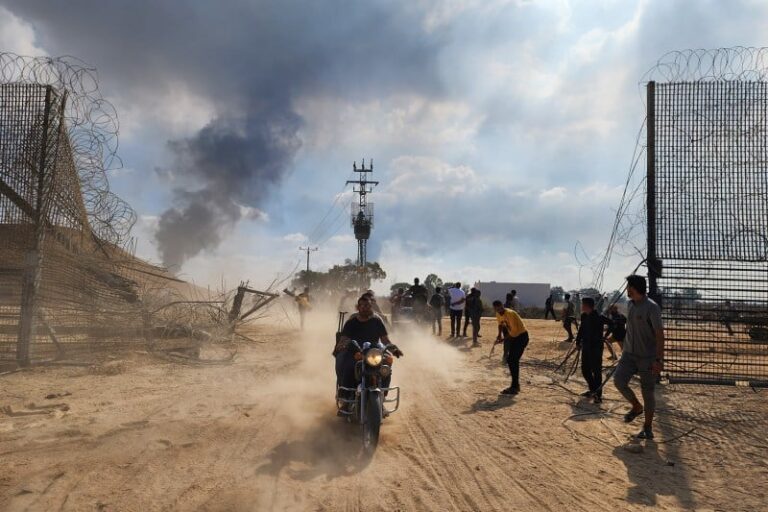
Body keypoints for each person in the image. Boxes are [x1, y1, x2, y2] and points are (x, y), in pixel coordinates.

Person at [613, 274, 664, 440]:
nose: (627, 290)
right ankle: (636, 406)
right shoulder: (630, 304)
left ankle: (647, 428)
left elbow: (659, 335)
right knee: (619, 381)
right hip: (629, 354)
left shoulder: (652, 308)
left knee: (647, 392)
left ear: (634, 288)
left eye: (628, 287)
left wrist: (658, 360)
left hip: (647, 357)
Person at [334, 296, 403, 412]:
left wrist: (394, 349)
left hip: (373, 351)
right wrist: (342, 344)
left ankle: (381, 397)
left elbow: (385, 339)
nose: (366, 308)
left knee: (386, 365)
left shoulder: (376, 321)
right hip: (356, 350)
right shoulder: (352, 322)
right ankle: (346, 400)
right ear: (358, 307)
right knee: (349, 367)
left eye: (368, 306)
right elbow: (344, 338)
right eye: (363, 306)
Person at [576, 297, 609, 404]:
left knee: (596, 371)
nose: (581, 306)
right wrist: (578, 342)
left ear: (587, 306)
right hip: (586, 347)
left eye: (583, 304)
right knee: (585, 370)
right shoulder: (584, 316)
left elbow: (613, 324)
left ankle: (598, 396)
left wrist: (605, 337)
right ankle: (593, 390)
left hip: (596, 348)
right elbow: (581, 330)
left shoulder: (599, 317)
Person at [492, 300, 529, 395]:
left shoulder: (510, 314)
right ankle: (515, 385)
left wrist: (503, 340)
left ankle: (515, 386)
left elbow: (514, 332)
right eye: (497, 309)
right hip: (514, 338)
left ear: (502, 306)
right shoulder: (498, 314)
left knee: (512, 360)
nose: (499, 310)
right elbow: (500, 324)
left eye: (500, 308)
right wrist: (499, 335)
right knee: (511, 360)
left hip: (521, 337)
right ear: (495, 309)